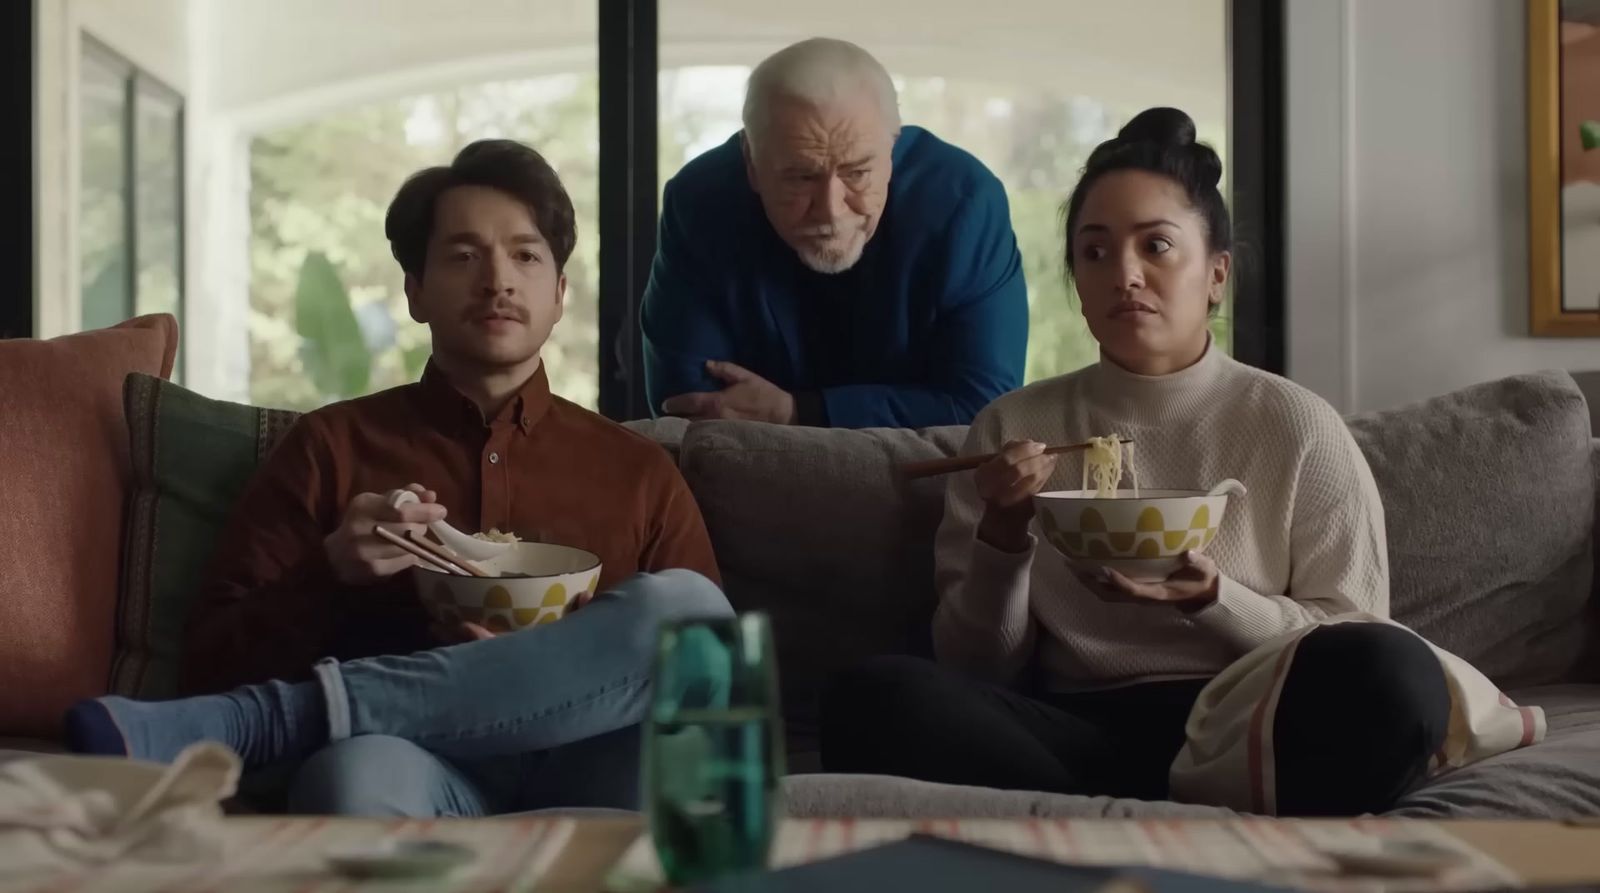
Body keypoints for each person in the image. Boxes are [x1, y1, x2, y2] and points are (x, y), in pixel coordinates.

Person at [63, 139, 733, 818]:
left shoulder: (637, 470)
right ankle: (326, 720)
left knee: (690, 613)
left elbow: (720, 680)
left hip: (593, 763)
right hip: (416, 761)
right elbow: (209, 667)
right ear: (414, 291)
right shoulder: (331, 447)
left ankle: (283, 717)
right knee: (350, 781)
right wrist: (330, 573)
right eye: (464, 255)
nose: (497, 279)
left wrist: (566, 656)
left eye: (525, 255)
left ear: (560, 294)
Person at [819, 108, 1451, 817]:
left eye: (1156, 246)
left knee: (1398, 676)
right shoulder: (1014, 426)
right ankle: (1195, 804)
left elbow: (1356, 633)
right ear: (1077, 284)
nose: (1124, 274)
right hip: (1072, 729)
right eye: (1094, 253)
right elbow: (976, 667)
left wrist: (1215, 600)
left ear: (1216, 274)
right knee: (869, 696)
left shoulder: (1295, 424)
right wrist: (1003, 528)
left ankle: (1137, 802)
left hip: (1253, 720)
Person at [641, 38, 1028, 429]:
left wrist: (797, 411)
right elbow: (686, 408)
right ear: (752, 164)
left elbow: (986, 408)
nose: (830, 209)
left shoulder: (963, 204)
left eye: (857, 173)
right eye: (800, 176)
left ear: (891, 152)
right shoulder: (700, 203)